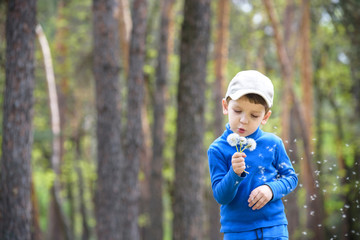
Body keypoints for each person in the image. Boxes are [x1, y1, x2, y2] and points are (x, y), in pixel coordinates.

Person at [207, 70, 298, 240]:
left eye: (254, 115)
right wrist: (234, 174)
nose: (244, 120)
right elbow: (221, 196)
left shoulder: (273, 143)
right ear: (226, 107)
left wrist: (271, 189)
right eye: (237, 111)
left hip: (274, 227)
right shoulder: (217, 149)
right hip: (238, 232)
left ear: (265, 117)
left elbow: (291, 178)